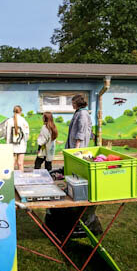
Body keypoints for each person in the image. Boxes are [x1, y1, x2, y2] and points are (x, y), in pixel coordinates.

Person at [46, 94, 101, 238]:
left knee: (76, 171)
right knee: (69, 171)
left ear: (77, 103)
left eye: (72, 102)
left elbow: (81, 131)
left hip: (77, 148)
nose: (71, 105)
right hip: (74, 147)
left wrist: (76, 147)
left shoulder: (82, 114)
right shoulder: (80, 113)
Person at [5, 105, 29, 171]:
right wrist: (25, 140)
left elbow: (5, 133)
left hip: (11, 145)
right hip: (21, 145)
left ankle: (10, 179)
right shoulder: (23, 121)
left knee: (11, 164)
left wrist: (7, 142)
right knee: (20, 163)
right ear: (20, 111)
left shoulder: (8, 121)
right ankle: (21, 179)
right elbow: (26, 134)